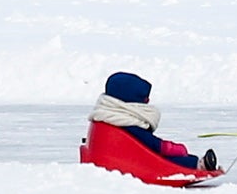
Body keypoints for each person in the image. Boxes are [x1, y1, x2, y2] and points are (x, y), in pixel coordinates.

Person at [79, 70, 221, 184]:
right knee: (168, 161)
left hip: (114, 155)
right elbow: (149, 144)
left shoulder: (108, 115)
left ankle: (195, 161)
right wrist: (171, 148)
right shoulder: (125, 122)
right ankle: (198, 165)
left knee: (167, 157)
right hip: (129, 160)